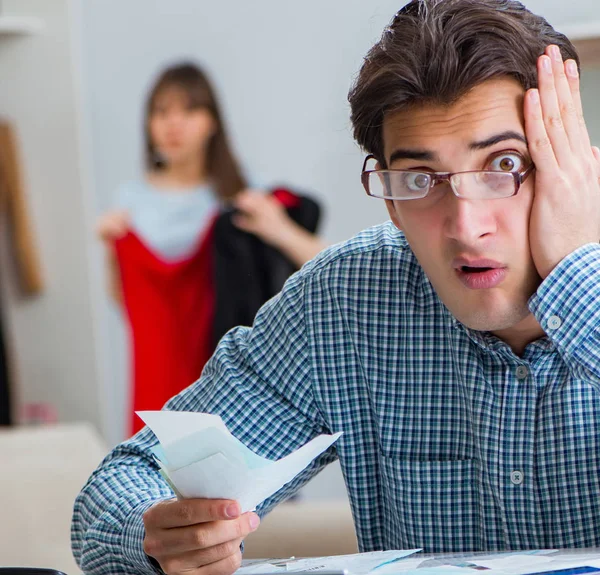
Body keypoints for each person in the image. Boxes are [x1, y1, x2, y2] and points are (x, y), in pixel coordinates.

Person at [73, 0, 600, 573]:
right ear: (392, 203)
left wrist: (576, 272)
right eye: (420, 179)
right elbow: (118, 490)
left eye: (503, 165)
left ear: (573, 164)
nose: (466, 224)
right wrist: (160, 534)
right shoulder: (347, 301)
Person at [97, 62, 325, 434]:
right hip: (158, 373)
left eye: (189, 110)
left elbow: (318, 264)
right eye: (161, 111)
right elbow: (126, 304)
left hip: (229, 380)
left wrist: (277, 227)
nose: (173, 124)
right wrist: (112, 252)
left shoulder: (243, 193)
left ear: (212, 122)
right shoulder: (129, 203)